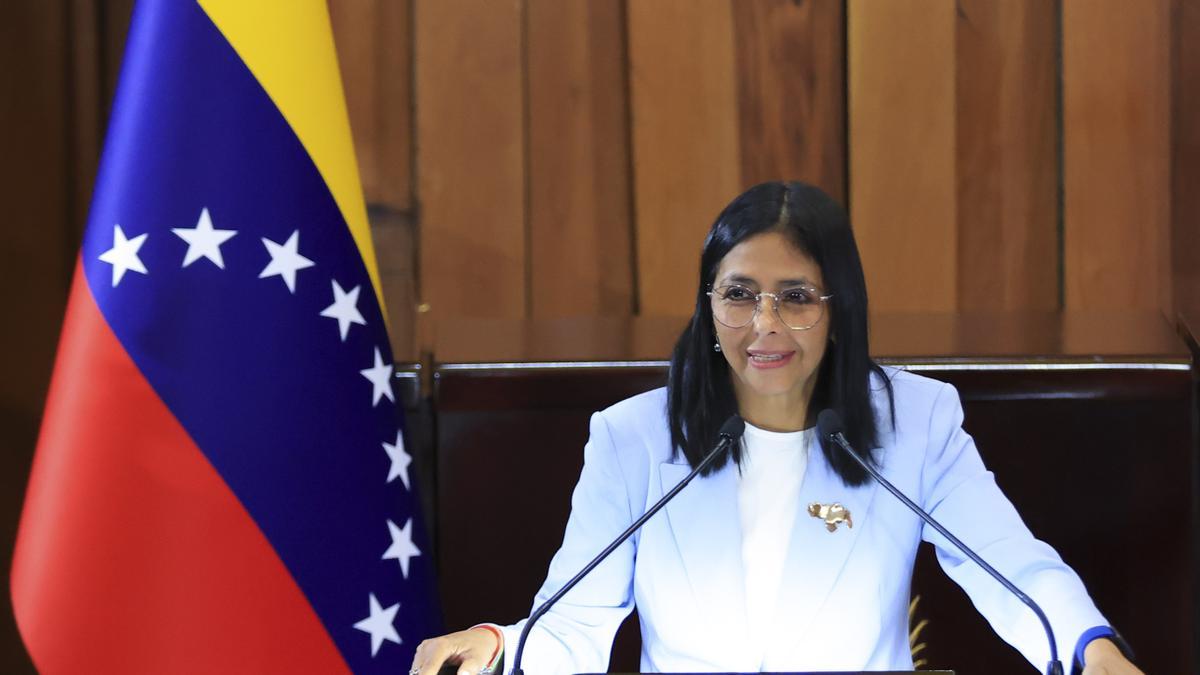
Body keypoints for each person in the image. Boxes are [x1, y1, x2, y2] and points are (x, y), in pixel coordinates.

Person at [410, 182, 1143, 674]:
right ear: (709, 306)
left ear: (840, 306)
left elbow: (1014, 569)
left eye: (795, 296)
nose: (764, 324)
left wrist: (1092, 649)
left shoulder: (916, 423)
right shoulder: (632, 438)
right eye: (739, 294)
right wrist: (498, 643)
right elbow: (572, 622)